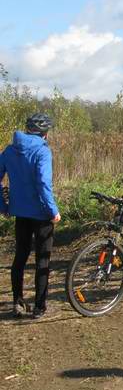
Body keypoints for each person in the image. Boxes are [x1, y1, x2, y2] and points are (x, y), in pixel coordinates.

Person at [0, 113, 60, 319]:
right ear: (45, 134)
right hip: (42, 214)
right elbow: (44, 184)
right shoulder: (43, 151)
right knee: (42, 259)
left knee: (20, 257)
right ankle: (39, 307)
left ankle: (17, 302)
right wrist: (53, 210)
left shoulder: (9, 150)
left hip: (20, 212)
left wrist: (4, 205)